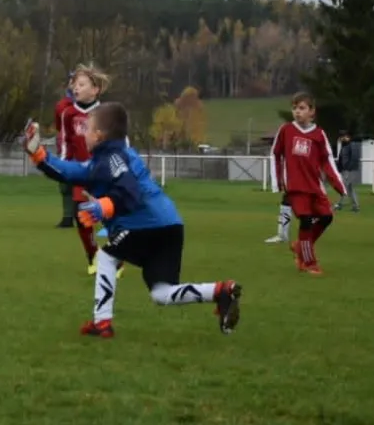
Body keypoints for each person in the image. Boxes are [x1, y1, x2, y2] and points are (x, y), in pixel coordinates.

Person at [22, 102, 242, 339]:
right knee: (161, 293)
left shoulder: (113, 157)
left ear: (99, 135)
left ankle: (102, 323)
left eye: (87, 129)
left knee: (106, 257)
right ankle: (220, 291)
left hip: (147, 224)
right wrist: (39, 155)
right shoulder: (106, 158)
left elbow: (129, 190)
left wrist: (105, 206)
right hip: (170, 225)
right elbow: (72, 171)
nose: (83, 133)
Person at [270, 93, 346, 276]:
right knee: (305, 220)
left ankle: (301, 246)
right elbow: (275, 154)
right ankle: (309, 262)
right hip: (296, 187)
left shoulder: (319, 134)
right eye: (294, 108)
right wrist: (278, 181)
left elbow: (327, 160)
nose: (297, 112)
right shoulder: (286, 130)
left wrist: (338, 184)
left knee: (326, 217)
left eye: (302, 108)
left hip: (315, 186)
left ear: (312, 112)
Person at [55, 65, 108, 275]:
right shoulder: (68, 113)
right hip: (81, 173)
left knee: (110, 216)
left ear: (95, 90)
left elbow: (119, 142)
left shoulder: (105, 113)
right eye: (75, 84)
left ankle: (117, 259)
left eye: (81, 84)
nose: (76, 88)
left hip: (103, 173)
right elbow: (65, 142)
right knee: (82, 216)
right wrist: (63, 166)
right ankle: (93, 256)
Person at [50, 78, 77, 229]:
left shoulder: (91, 106)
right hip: (66, 149)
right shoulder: (62, 105)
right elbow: (60, 126)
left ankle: (84, 215)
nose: (76, 87)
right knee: (65, 184)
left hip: (85, 149)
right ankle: (67, 217)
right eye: (73, 83)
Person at [334, 130, 362, 212]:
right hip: (346, 170)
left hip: (349, 170)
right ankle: (355, 206)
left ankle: (339, 204)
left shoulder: (351, 145)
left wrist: (348, 169)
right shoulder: (345, 145)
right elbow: (342, 158)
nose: (340, 139)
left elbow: (354, 158)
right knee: (350, 188)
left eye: (341, 137)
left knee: (344, 187)